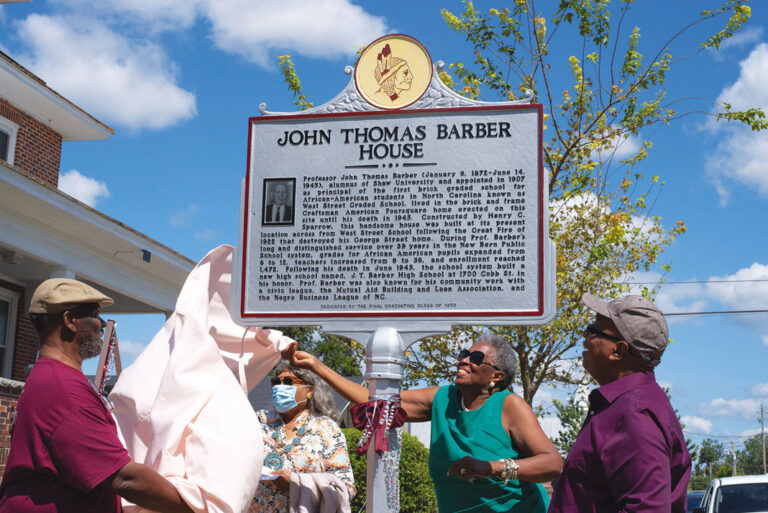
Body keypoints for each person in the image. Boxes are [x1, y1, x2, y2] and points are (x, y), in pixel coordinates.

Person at [284, 332, 562, 513]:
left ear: (497, 376)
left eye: (476, 358)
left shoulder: (509, 405)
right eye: (463, 353)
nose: (464, 359)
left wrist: (492, 467)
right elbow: (374, 400)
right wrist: (315, 366)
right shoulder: (442, 398)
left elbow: (552, 463)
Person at [0, 278, 193, 513]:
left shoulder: (49, 378)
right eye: (94, 314)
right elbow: (124, 479)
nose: (102, 324)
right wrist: (198, 506)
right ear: (70, 320)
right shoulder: (63, 390)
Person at [548, 293, 692, 513]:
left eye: (593, 330)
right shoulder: (621, 405)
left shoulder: (635, 415)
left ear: (619, 351)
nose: (584, 335)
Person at [250, 360, 355, 513]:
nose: (280, 387)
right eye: (276, 382)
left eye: (288, 382)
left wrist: (295, 484)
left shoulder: (326, 429)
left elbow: (346, 488)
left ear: (309, 390)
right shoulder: (259, 421)